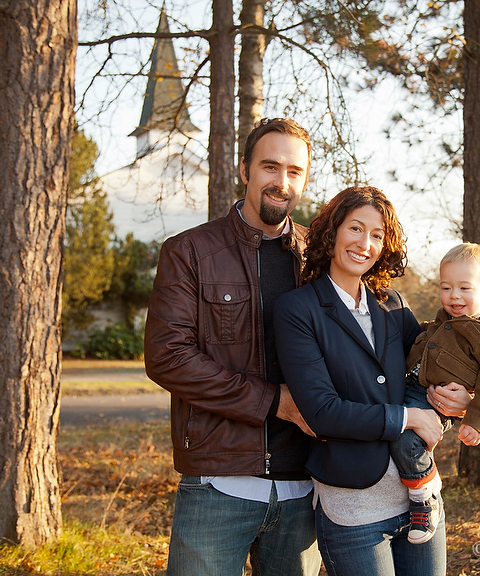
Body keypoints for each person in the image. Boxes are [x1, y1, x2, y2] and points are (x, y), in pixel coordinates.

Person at [144, 118, 322, 576]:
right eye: (270, 166)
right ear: (245, 169)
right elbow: (168, 356)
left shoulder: (320, 258)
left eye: (295, 171)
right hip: (217, 486)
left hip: (305, 486)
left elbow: (367, 334)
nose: (282, 182)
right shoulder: (189, 252)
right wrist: (273, 402)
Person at [274, 186, 472, 576]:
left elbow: (434, 365)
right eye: (356, 229)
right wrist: (408, 418)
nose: (365, 244)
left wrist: (462, 395)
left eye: (378, 235)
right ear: (332, 233)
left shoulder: (393, 304)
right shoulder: (298, 310)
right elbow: (322, 412)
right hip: (354, 513)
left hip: (421, 504)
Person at [391, 242, 480, 544]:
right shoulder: (445, 319)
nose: (454, 296)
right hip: (412, 387)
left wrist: (476, 419)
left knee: (408, 441)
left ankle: (425, 498)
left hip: (436, 399)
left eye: (464, 288)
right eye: (447, 287)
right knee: (390, 429)